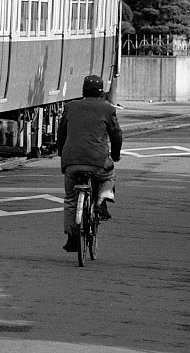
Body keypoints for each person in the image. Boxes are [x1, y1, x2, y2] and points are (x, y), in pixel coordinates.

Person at [58, 74, 122, 253]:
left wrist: (60, 152)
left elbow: (61, 133)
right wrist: (115, 156)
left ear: (83, 91)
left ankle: (71, 238)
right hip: (98, 163)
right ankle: (102, 200)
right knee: (110, 175)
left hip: (71, 162)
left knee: (70, 199)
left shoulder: (70, 107)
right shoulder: (107, 109)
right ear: (102, 92)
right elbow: (116, 135)